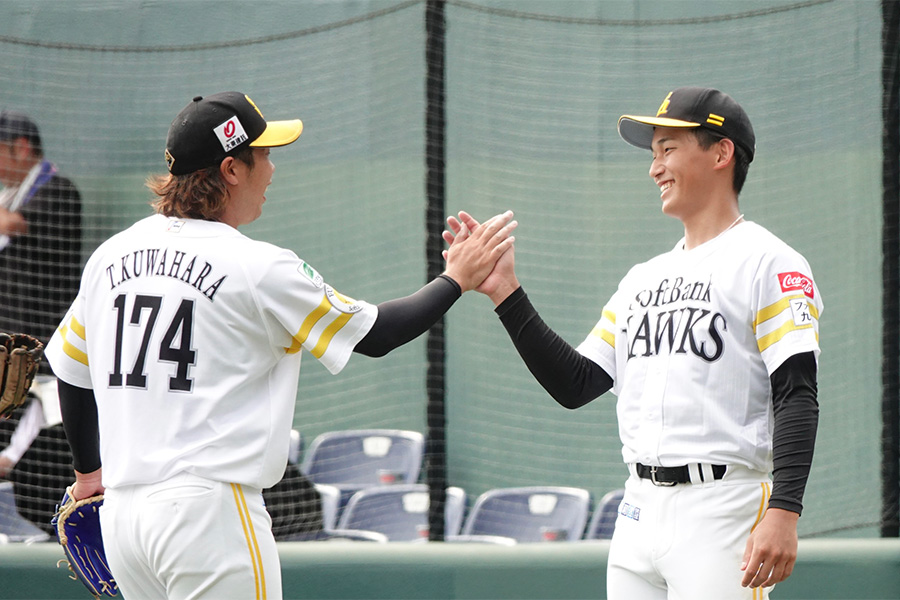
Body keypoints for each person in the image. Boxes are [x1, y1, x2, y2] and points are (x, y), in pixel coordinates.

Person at [44, 91, 514, 599]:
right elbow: (376, 335)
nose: (271, 169)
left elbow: (71, 370)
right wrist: (455, 279)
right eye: (263, 154)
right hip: (207, 514)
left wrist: (88, 474)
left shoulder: (112, 255)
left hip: (125, 521)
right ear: (230, 169)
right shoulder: (257, 265)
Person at [445, 87, 821, 599]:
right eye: (653, 154)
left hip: (722, 506)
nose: (655, 168)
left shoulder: (770, 262)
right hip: (638, 509)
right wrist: (505, 293)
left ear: (721, 152)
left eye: (668, 149)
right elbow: (576, 383)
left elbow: (796, 392)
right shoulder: (643, 278)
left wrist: (784, 510)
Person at [0, 110, 81, 534]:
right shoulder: (10, 195)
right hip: (10, 352)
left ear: (22, 148)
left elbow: (16, 223)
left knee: (44, 418)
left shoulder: (58, 191)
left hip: (44, 350)